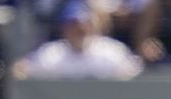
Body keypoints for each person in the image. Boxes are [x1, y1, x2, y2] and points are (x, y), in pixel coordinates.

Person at [14, 1, 143, 79]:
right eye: (73, 25)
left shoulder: (111, 51)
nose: (80, 29)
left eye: (84, 24)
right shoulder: (52, 54)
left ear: (93, 26)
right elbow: (22, 69)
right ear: (64, 29)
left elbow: (135, 70)